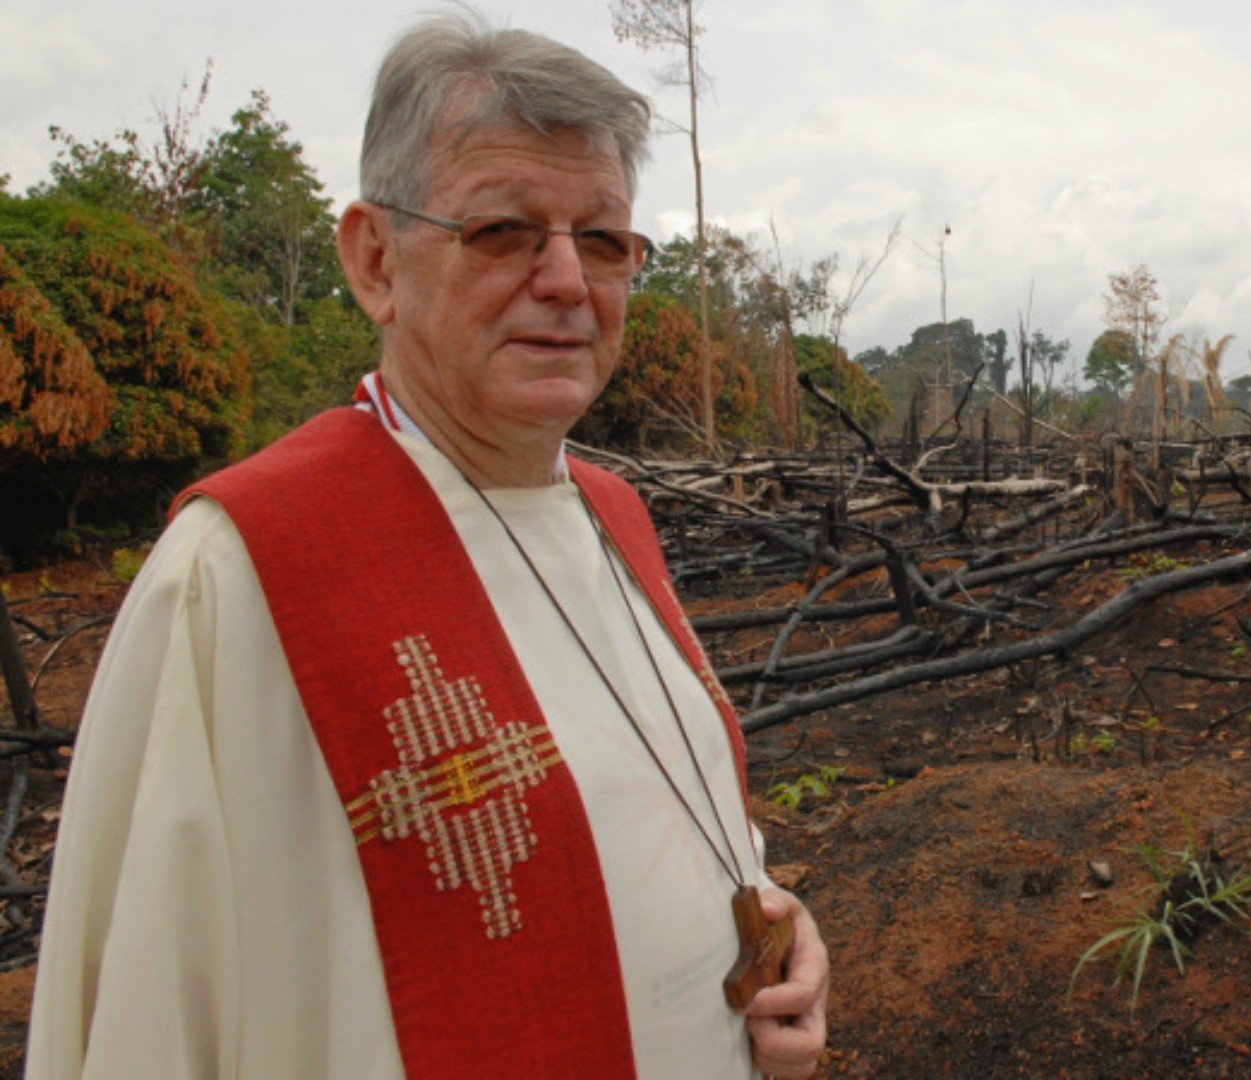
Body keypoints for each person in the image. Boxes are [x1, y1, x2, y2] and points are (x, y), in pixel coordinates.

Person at [26, 11, 828, 1078]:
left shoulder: (612, 514)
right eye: (503, 230)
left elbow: (646, 828)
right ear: (373, 261)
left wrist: (774, 930)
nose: (565, 281)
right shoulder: (240, 572)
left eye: (603, 241)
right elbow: (149, 1009)